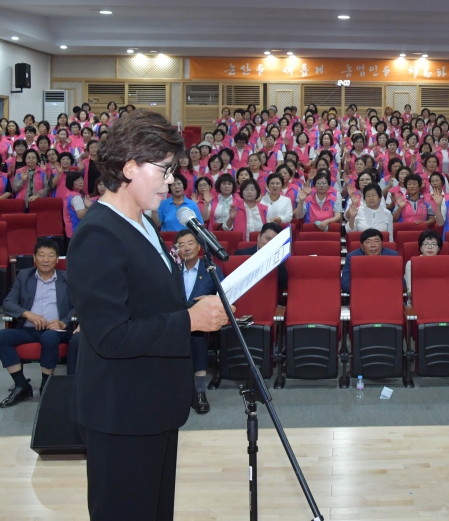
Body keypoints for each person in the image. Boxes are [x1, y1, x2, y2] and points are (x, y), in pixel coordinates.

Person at [68, 110, 231, 521]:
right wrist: (190, 320)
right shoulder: (99, 234)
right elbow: (110, 335)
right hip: (121, 412)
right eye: (163, 170)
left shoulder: (143, 223)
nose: (171, 181)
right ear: (128, 168)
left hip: (152, 405)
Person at [0, 239, 75, 407]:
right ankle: (21, 385)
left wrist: (63, 322)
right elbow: (8, 303)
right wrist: (27, 314)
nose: (46, 260)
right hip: (29, 329)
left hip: (57, 331)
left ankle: (46, 386)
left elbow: (80, 306)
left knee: (49, 338)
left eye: (50, 255)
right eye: (42, 255)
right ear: (34, 257)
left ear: (57, 259)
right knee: (2, 336)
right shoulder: (24, 276)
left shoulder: (67, 279)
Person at [174, 229, 224, 415]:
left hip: (200, 320)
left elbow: (223, 294)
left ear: (199, 246)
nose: (186, 248)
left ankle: (200, 391)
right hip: (177, 317)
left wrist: (209, 300)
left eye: (190, 243)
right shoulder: (172, 268)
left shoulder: (210, 267)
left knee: (197, 336)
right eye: (181, 245)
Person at [341, 228, 399, 292]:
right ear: (362, 247)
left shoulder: (393, 256)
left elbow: (401, 283)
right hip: (361, 295)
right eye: (368, 242)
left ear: (382, 244)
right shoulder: (352, 257)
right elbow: (345, 284)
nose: (373, 245)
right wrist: (369, 290)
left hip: (387, 294)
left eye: (376, 241)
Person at [234, 222, 288, 291]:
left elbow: (284, 284)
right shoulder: (241, 254)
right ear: (259, 237)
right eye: (267, 238)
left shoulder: (279, 258)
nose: (269, 244)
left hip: (269, 297)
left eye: (274, 241)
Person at [405, 229, 442, 301]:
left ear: (439, 248)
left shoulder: (444, 264)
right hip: (418, 301)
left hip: (440, 299)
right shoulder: (411, 263)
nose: (430, 247)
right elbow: (410, 292)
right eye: (426, 244)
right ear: (421, 248)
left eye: (434, 244)